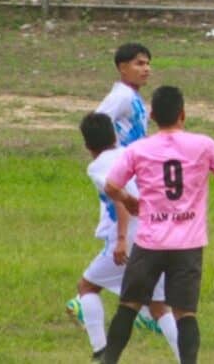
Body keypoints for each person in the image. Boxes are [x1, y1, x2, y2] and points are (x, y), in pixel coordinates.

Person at [102, 85, 214, 364]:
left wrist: (129, 199)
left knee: (128, 306)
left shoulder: (138, 149)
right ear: (183, 114)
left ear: (152, 115)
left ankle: (109, 360)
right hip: (188, 244)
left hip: (150, 242)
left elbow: (111, 186)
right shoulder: (203, 144)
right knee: (185, 313)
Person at [66, 113, 179, 362]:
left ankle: (101, 352)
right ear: (115, 136)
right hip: (159, 232)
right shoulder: (130, 153)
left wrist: (120, 240)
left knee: (87, 286)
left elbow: (118, 198)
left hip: (132, 238)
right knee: (159, 306)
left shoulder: (97, 167)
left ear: (87, 146)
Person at [96, 43, 151, 147]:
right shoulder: (121, 95)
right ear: (123, 68)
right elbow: (97, 122)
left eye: (147, 64)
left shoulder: (132, 95)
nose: (147, 69)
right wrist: (112, 152)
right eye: (140, 64)